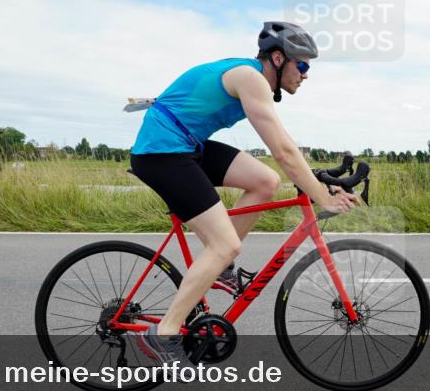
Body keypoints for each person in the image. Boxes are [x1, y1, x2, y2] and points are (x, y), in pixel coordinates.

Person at [129, 21, 360, 367]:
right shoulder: (251, 78)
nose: (306, 74)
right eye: (303, 65)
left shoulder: (255, 80)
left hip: (186, 145)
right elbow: (282, 149)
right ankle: (164, 333)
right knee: (226, 244)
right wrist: (322, 198)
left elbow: (286, 152)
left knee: (265, 181)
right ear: (279, 58)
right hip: (161, 152)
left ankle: (219, 265)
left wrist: (317, 183)